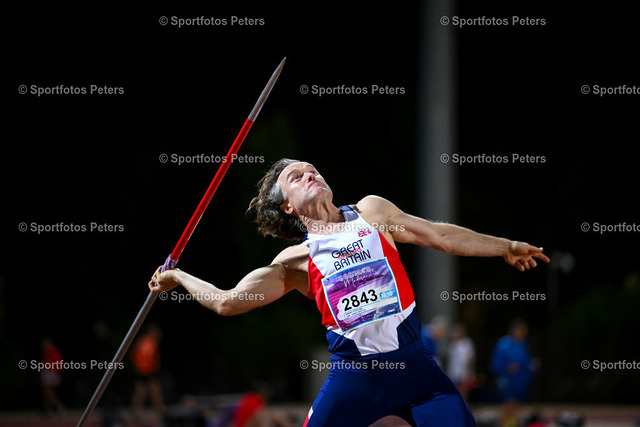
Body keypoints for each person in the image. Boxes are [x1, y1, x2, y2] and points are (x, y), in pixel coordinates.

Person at [149, 159, 549, 426]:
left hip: (417, 372)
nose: (310, 174)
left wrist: (505, 246)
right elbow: (227, 302)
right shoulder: (295, 262)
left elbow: (440, 236)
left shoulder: (372, 213)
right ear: (288, 207)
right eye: (296, 177)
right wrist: (178, 277)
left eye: (313, 170)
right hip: (354, 379)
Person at [490, 319, 539, 427]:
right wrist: (506, 367)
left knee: (515, 405)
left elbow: (525, 362)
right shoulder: (503, 344)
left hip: (519, 382)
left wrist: (531, 365)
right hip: (507, 381)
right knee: (509, 404)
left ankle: (511, 424)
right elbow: (495, 364)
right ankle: (503, 424)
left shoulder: (523, 345)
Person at [130, 324, 165, 416]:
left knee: (143, 390)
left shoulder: (144, 340)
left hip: (143, 369)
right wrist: (153, 366)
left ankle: (135, 410)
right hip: (147, 370)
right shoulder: (149, 342)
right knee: (152, 389)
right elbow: (146, 356)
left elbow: (134, 354)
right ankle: (160, 410)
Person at [446, 324, 476, 402]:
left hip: (464, 371)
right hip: (454, 371)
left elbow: (470, 359)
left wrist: (470, 372)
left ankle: (464, 404)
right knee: (455, 389)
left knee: (464, 390)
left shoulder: (467, 343)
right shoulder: (452, 345)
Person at [40, 336, 64, 415]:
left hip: (52, 373)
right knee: (47, 392)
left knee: (49, 391)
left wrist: (54, 372)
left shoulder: (53, 352)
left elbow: (58, 364)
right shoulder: (47, 353)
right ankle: (48, 409)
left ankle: (59, 406)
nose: (44, 346)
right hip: (49, 373)